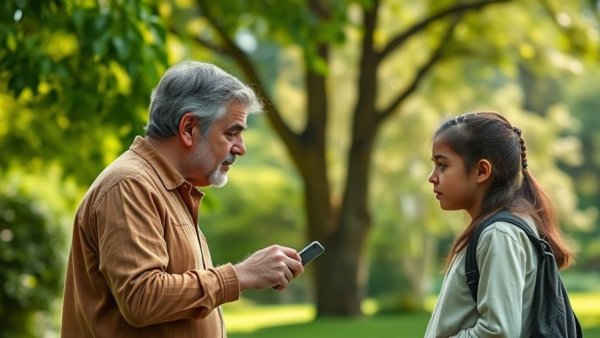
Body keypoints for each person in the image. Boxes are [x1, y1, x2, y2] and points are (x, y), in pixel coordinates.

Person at [61, 61, 304, 338]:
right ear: (188, 128)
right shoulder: (129, 185)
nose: (241, 148)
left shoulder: (169, 190)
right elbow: (142, 298)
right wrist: (240, 275)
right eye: (231, 132)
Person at [424, 111, 574, 337]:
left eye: (442, 165)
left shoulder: (500, 233)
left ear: (482, 171)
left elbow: (499, 332)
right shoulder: (498, 229)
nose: (432, 177)